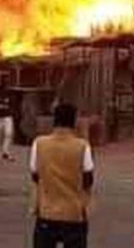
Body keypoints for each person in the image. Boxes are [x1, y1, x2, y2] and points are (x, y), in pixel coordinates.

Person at [30, 102, 95, 248]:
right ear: (73, 122)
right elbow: (88, 178)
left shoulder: (39, 143)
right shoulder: (82, 146)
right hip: (74, 213)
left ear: (55, 121)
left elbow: (35, 175)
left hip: (46, 213)